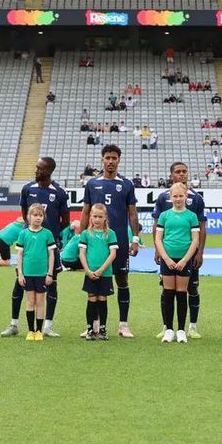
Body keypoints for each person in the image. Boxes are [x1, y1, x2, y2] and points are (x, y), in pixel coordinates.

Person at [1, 158, 70, 338]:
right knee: (20, 282)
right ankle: (14, 324)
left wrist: (51, 235)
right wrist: (30, 229)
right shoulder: (28, 189)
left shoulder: (60, 193)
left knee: (51, 284)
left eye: (40, 168)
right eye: (37, 167)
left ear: (49, 171)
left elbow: (66, 221)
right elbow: (24, 212)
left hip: (49, 246)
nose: (36, 170)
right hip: (30, 245)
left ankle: (47, 326)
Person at [80, 145, 141, 338]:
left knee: (122, 280)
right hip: (96, 243)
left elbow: (132, 213)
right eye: (107, 157)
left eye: (114, 158)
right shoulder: (92, 184)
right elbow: (86, 211)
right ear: (102, 159)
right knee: (95, 280)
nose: (110, 161)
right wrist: (81, 237)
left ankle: (123, 324)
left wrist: (135, 238)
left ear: (119, 160)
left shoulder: (126, 184)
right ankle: (95, 325)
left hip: (120, 240)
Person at [154, 183, 201, 344]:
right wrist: (166, 258)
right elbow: (158, 239)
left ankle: (181, 330)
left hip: (184, 260)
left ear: (186, 196)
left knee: (181, 293)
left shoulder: (192, 216)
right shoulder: (164, 215)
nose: (178, 199)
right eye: (175, 196)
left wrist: (185, 260)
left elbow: (195, 240)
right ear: (170, 197)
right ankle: (168, 329)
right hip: (168, 259)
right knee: (168, 293)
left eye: (181, 196)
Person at [15, 204, 57, 341]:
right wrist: (20, 273)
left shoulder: (47, 234)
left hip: (42, 274)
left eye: (40, 215)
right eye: (35, 215)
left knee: (40, 302)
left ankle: (39, 331)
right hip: (28, 273)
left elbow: (52, 255)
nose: (38, 218)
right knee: (30, 301)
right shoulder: (23, 234)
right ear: (29, 217)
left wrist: (50, 273)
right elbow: (19, 255)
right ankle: (30, 330)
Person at [80, 204, 118, 340]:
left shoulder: (110, 234)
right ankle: (90, 329)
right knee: (91, 299)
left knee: (102, 299)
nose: (97, 219)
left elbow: (113, 254)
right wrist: (88, 270)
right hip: (90, 273)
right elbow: (82, 254)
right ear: (90, 217)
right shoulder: (85, 234)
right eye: (94, 216)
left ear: (105, 218)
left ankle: (102, 329)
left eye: (100, 217)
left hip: (105, 273)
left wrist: (101, 270)